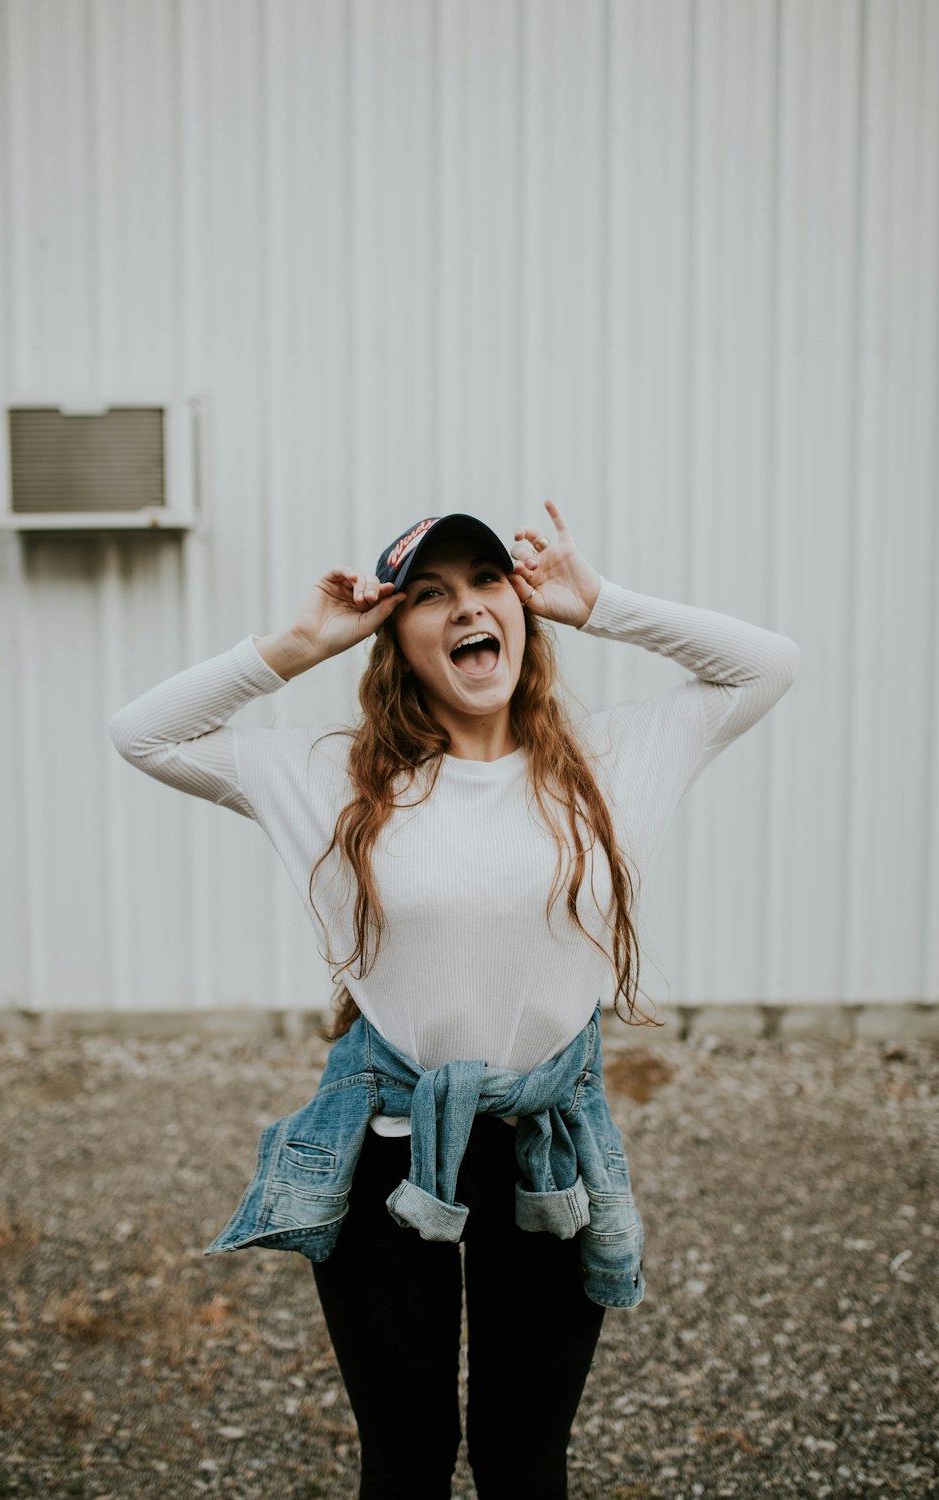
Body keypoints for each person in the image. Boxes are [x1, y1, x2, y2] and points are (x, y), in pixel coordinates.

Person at [108, 500, 801, 1499]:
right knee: (407, 1462)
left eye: (485, 581)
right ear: (396, 639)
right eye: (429, 596)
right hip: (386, 1142)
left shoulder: (613, 761)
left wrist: (598, 601)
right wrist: (300, 643)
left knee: (525, 1463)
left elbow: (766, 663)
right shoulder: (335, 777)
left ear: (518, 609)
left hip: (543, 1149)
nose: (466, 606)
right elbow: (143, 734)